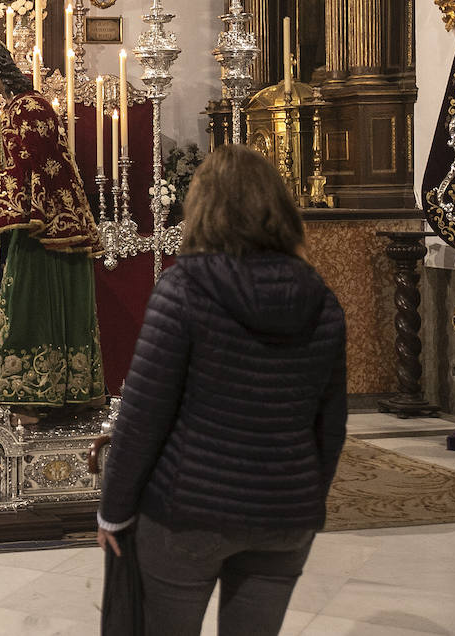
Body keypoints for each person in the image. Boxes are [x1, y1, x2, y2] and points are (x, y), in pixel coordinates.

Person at [96, 144, 347, 636]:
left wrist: (114, 509)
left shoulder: (185, 288)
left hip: (188, 511)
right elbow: (331, 423)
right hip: (285, 512)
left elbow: (144, 415)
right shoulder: (320, 297)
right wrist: (304, 495)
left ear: (201, 209)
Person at [0, 39, 104, 422]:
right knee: (49, 304)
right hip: (56, 222)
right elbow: (20, 154)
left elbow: (28, 174)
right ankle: (68, 392)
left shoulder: (25, 107)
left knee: (29, 304)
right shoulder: (24, 105)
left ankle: (33, 399)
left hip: (44, 229)